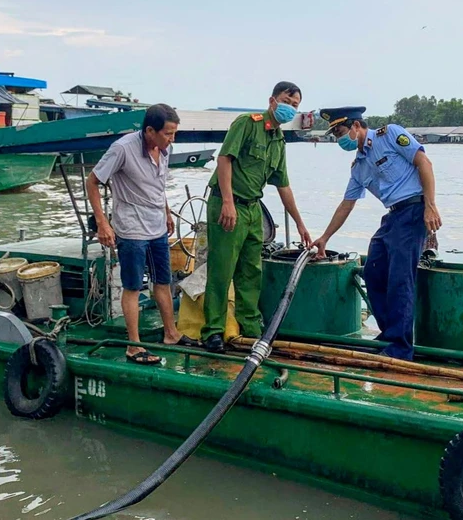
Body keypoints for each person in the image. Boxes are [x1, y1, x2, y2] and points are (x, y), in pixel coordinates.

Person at [311, 106, 442, 360]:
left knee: (400, 279)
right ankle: (390, 333)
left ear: (356, 126)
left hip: (414, 209)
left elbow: (424, 162)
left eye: (339, 131)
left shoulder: (390, 134)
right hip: (393, 215)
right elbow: (346, 204)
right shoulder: (359, 165)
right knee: (373, 271)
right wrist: (325, 237)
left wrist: (430, 205)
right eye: (335, 134)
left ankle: (401, 347)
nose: (338, 138)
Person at [200, 81, 312, 353]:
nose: (290, 107)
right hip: (228, 203)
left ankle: (249, 327)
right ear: (273, 100)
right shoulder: (247, 124)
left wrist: (299, 223)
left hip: (252, 209)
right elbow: (224, 159)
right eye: (287, 100)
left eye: (295, 105)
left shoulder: (279, 140)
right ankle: (212, 331)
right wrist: (227, 202)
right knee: (222, 268)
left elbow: (283, 184)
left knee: (252, 271)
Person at [87, 103, 196, 365]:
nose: (172, 139)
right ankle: (134, 346)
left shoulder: (164, 149)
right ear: (150, 131)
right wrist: (103, 223)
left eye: (174, 134)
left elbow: (158, 186)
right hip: (132, 228)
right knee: (133, 286)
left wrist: (167, 212)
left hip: (157, 225)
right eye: (168, 134)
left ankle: (171, 333)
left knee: (163, 280)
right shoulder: (122, 149)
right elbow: (92, 181)